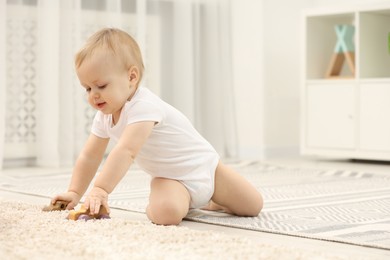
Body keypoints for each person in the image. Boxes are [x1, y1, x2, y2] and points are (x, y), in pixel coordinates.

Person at [51, 28, 263, 225]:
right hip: (170, 178)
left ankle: (211, 201)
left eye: (101, 86)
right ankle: (167, 203)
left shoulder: (144, 106)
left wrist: (100, 189)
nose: (93, 95)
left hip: (207, 168)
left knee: (253, 205)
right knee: (166, 214)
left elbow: (126, 151)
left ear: (131, 77)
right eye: (87, 88)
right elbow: (90, 156)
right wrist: (74, 192)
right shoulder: (104, 117)